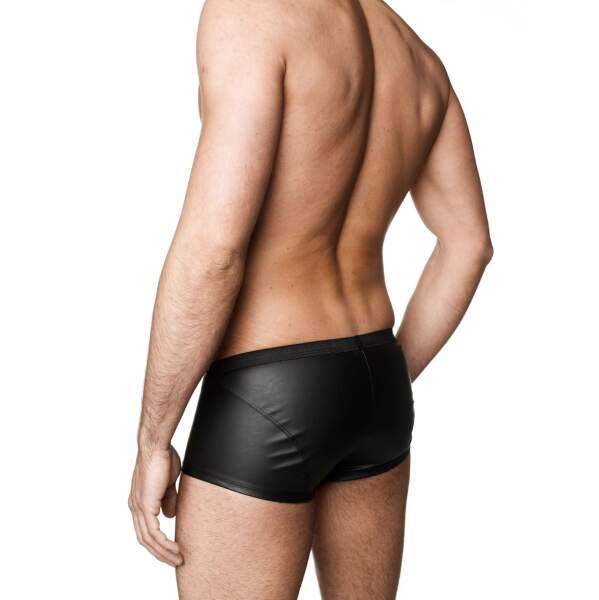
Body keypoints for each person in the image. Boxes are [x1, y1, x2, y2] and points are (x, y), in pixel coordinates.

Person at [128, 0, 493, 598]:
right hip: (376, 386)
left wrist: (153, 439)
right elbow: (469, 244)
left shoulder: (251, 14)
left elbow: (215, 249)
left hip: (266, 391)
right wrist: (381, 378)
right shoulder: (418, 58)